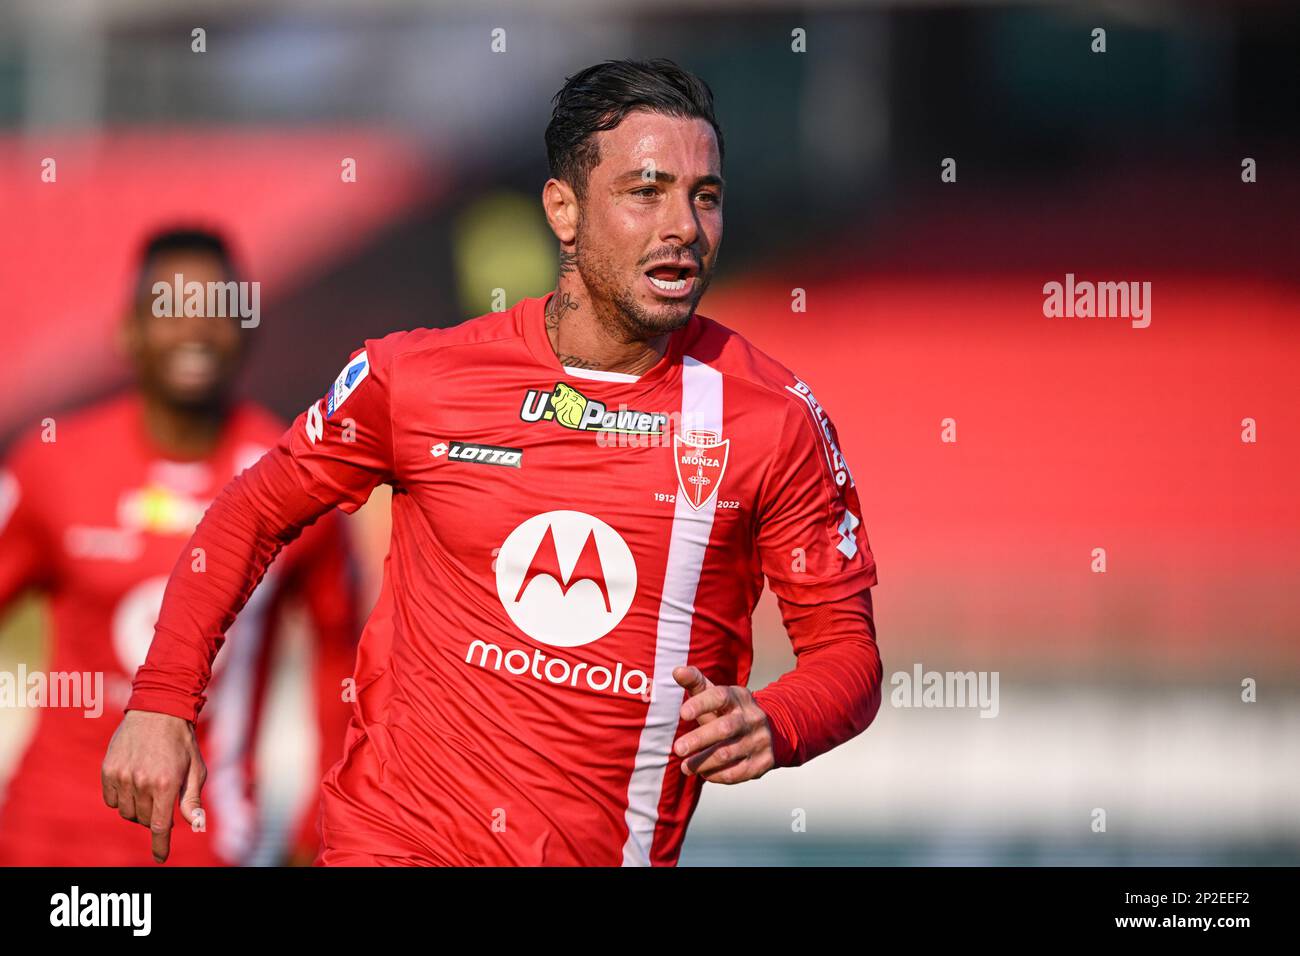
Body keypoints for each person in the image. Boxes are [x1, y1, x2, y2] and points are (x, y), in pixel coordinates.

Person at [104, 59, 882, 867]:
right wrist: (162, 704)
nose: (682, 223)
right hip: (392, 842)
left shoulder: (770, 420)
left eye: (705, 195)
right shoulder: (417, 379)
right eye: (645, 192)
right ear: (564, 209)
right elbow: (251, 510)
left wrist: (775, 719)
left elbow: (847, 656)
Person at [0, 227, 358, 865]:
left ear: (247, 328)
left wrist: (324, 820)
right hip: (48, 838)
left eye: (217, 309)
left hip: (210, 842)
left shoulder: (295, 472)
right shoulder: (52, 464)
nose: (195, 329)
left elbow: (346, 656)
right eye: (170, 309)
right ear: (128, 331)